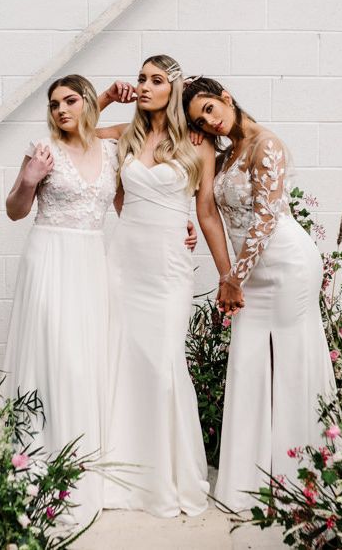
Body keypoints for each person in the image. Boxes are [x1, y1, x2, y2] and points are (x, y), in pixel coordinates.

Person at [183, 77, 336, 512]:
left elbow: (266, 217)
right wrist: (230, 274)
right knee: (248, 363)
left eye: (210, 109)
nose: (209, 122)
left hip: (286, 264)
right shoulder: (225, 152)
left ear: (227, 98)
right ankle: (247, 483)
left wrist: (233, 278)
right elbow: (210, 209)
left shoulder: (266, 143)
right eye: (200, 120)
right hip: (247, 273)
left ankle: (303, 480)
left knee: (292, 363)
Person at [99, 55, 242, 517]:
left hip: (168, 269)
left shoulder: (198, 143)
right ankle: (123, 473)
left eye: (155, 80)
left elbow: (206, 213)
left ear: (173, 90)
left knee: (162, 364)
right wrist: (103, 99)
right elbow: (75, 134)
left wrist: (228, 275)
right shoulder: (127, 135)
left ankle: (167, 476)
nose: (143, 86)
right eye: (140, 78)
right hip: (124, 262)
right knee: (123, 361)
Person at [4, 75, 117, 526]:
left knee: (87, 358)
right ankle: (38, 463)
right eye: (54, 104)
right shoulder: (42, 150)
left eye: (70, 101)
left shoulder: (110, 149)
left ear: (87, 103)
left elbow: (129, 199)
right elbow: (14, 210)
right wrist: (28, 181)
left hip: (91, 260)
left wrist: (173, 231)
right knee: (56, 357)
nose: (60, 110)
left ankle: (84, 463)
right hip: (49, 256)